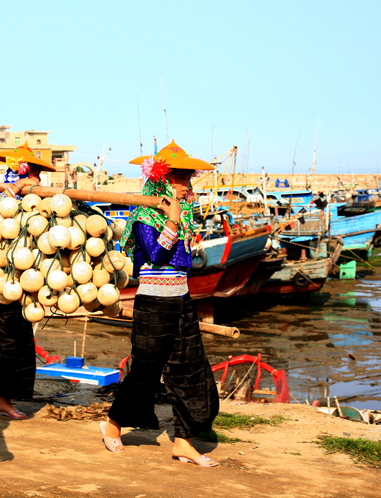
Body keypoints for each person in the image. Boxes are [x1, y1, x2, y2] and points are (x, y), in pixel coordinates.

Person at [102, 140, 220, 467]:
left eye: (188, 179)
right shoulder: (142, 217)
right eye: (182, 179)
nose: (188, 186)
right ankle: (113, 424)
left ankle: (183, 441)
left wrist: (178, 215)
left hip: (181, 299)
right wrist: (170, 219)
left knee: (189, 368)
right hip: (153, 303)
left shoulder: (183, 217)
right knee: (145, 371)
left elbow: (182, 255)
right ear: (165, 181)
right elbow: (155, 255)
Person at [0, 143, 56, 419]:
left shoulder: (37, 203)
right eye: (33, 172)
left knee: (22, 340)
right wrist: (20, 187)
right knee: (8, 338)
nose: (38, 179)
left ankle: (5, 399)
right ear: (19, 172)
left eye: (38, 174)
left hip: (27, 277)